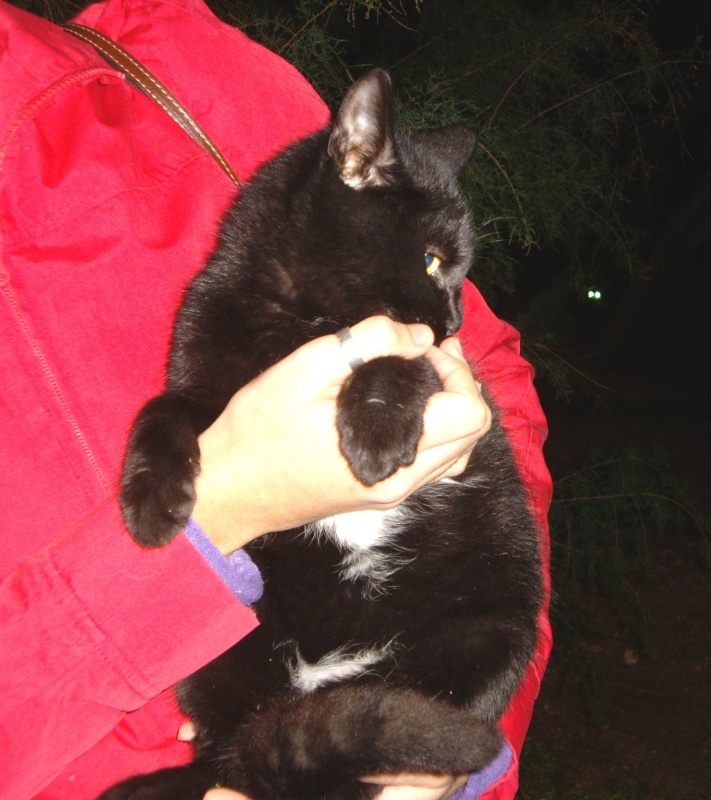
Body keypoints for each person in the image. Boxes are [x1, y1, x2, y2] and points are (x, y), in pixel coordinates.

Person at [0, 0, 553, 798]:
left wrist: (440, 768)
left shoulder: (172, 62)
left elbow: (497, 375)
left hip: (419, 661)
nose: (450, 313)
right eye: (441, 275)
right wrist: (226, 503)